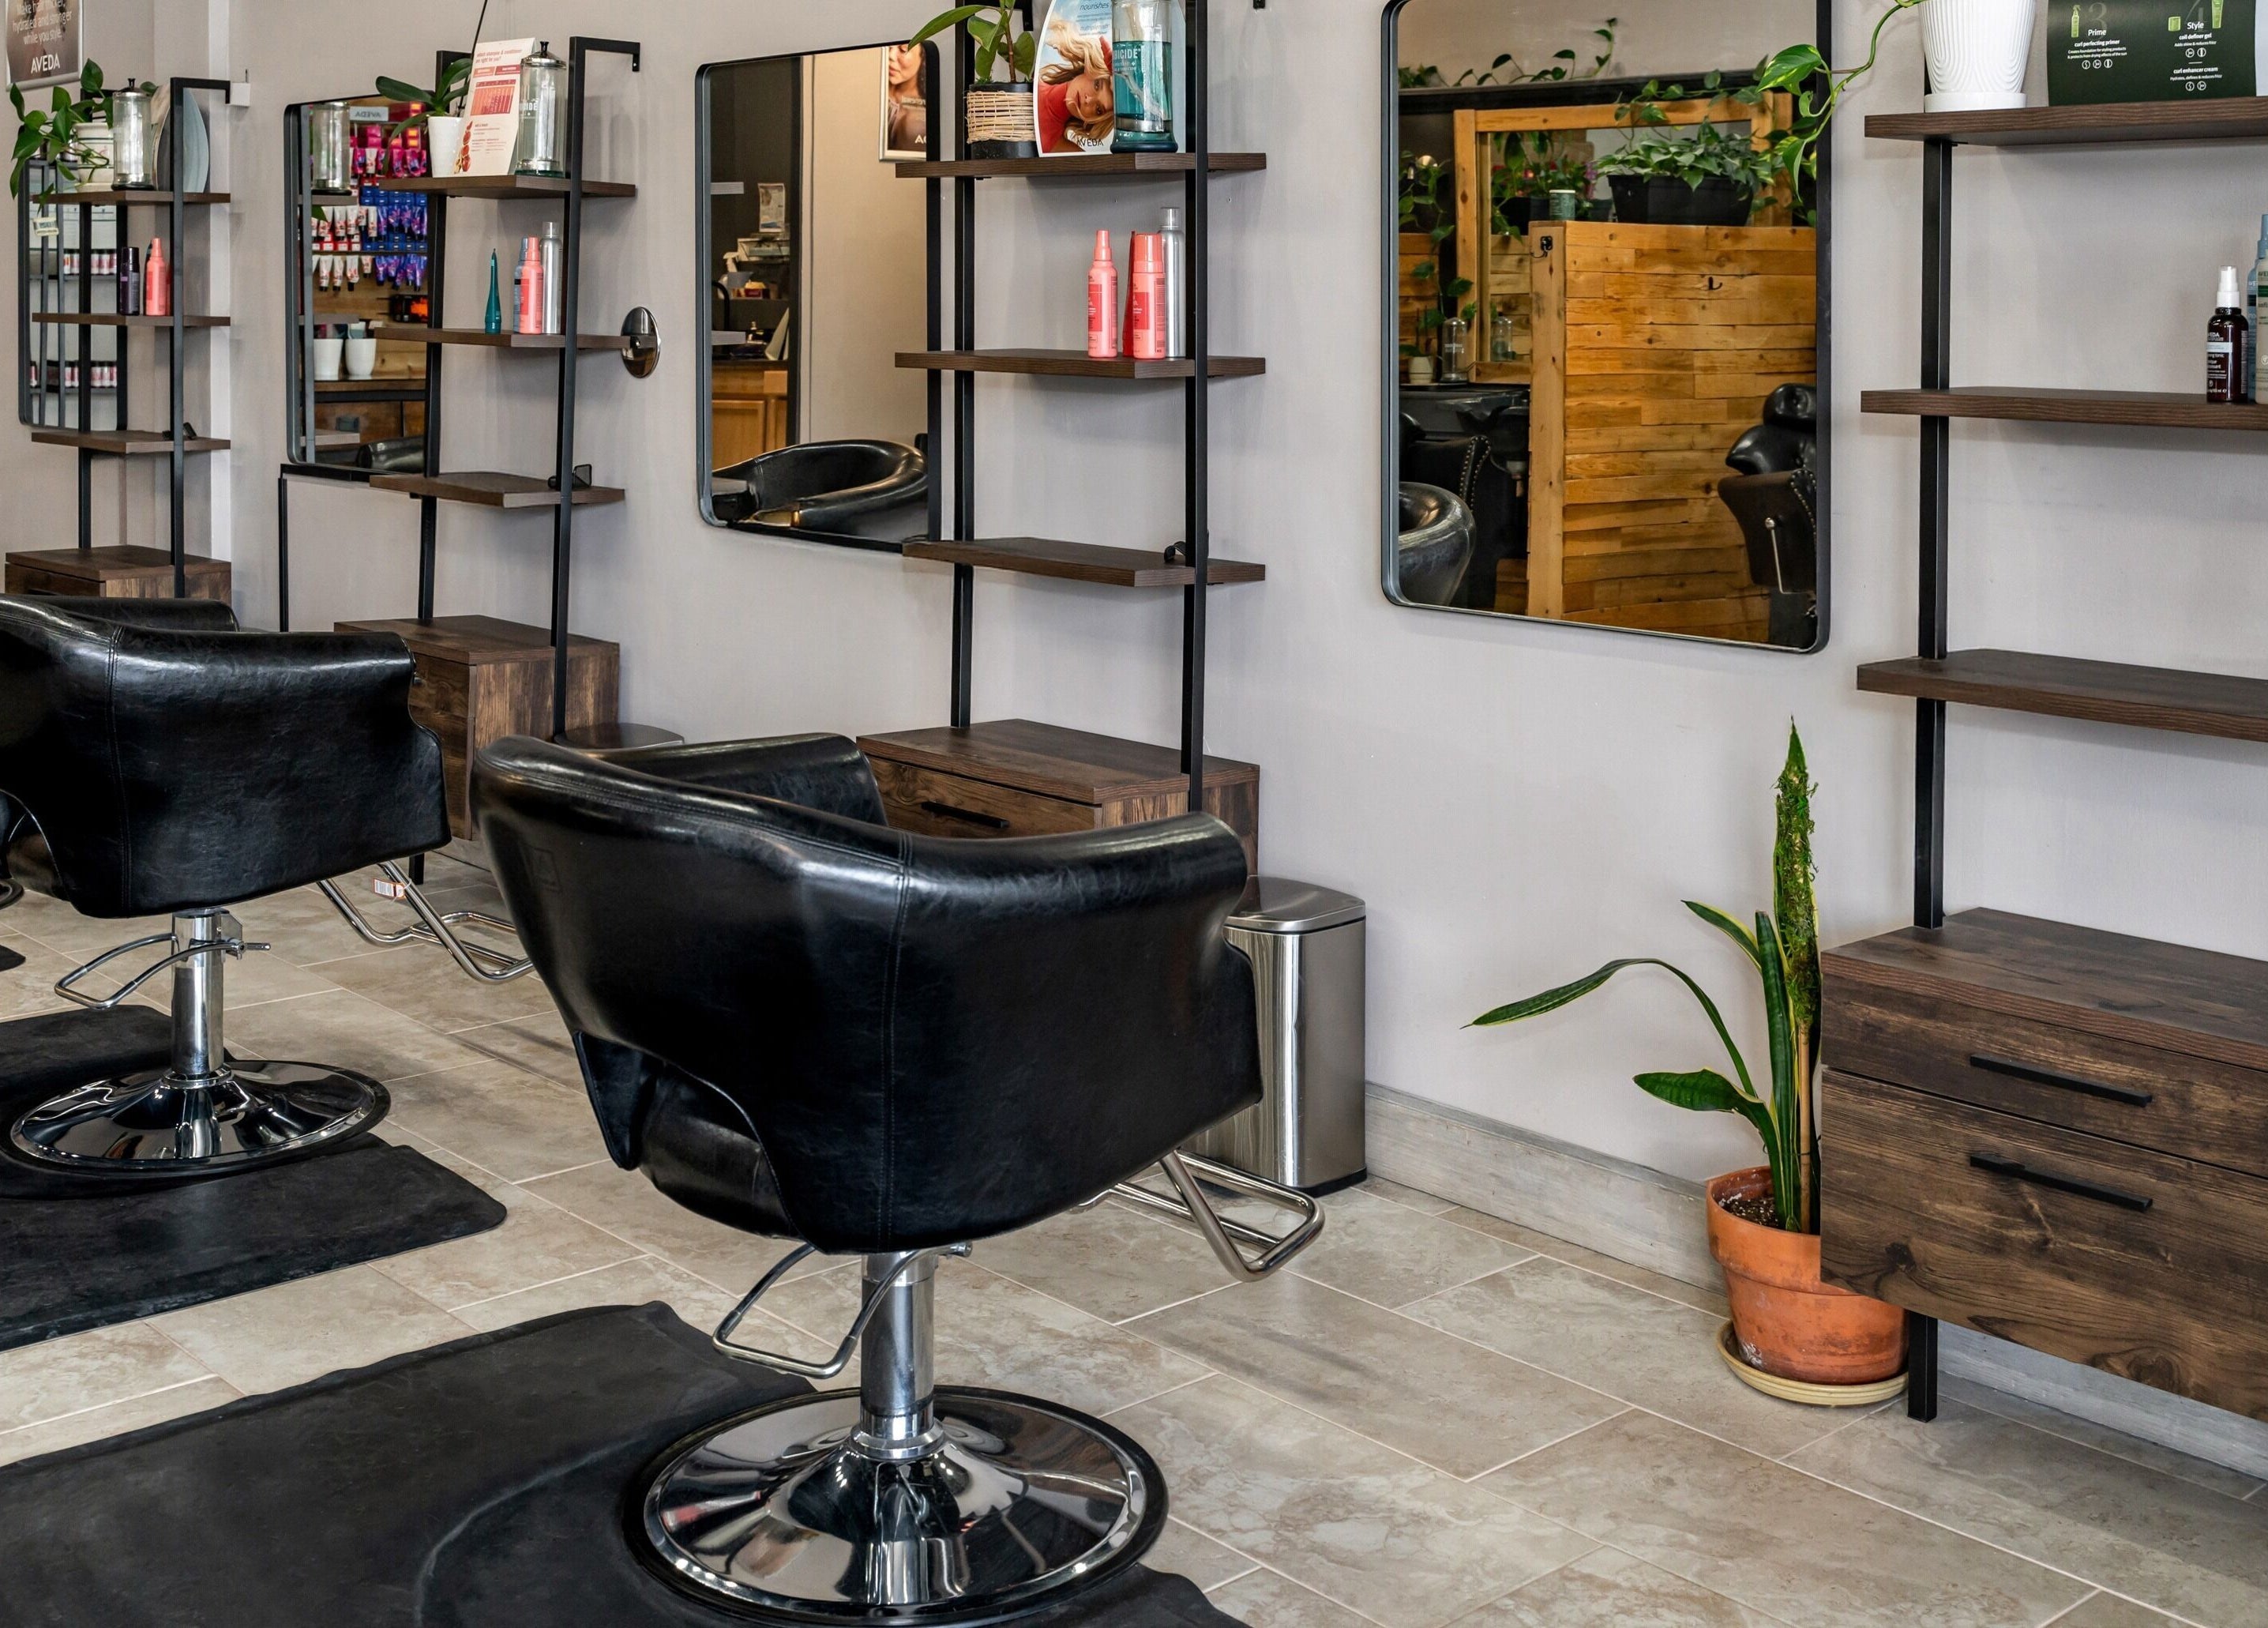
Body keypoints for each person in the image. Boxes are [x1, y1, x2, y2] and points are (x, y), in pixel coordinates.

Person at [1038, 21, 1114, 152]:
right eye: (1097, 85)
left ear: (1093, 121)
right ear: (1090, 69)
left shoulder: (1060, 147)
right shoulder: (1029, 82)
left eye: (1098, 109)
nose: (1088, 100)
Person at [885, 43, 928, 156]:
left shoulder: (914, 122)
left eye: (903, 50)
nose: (891, 55)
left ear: (923, 55)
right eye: (889, 47)